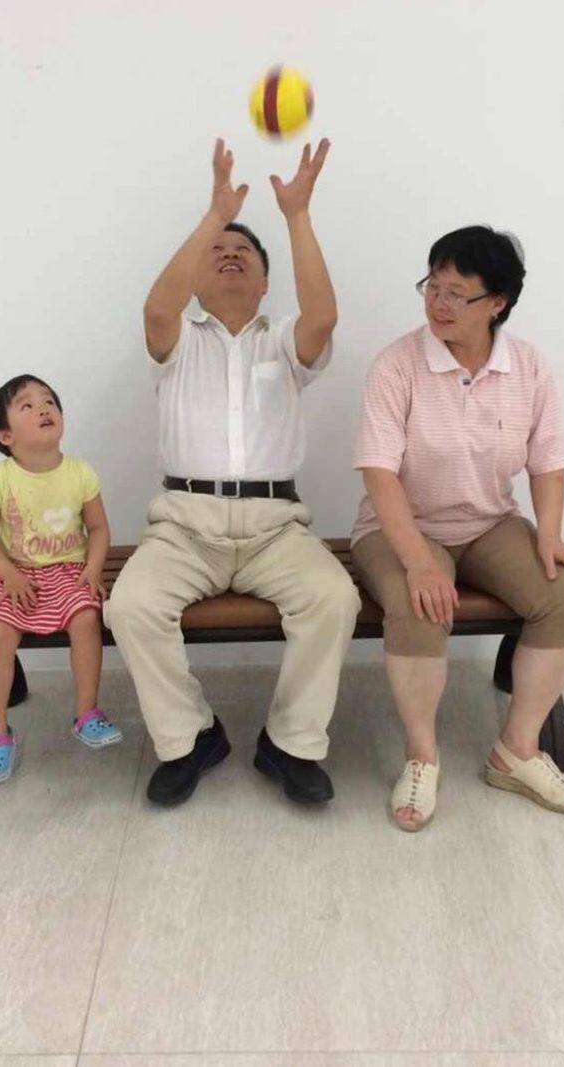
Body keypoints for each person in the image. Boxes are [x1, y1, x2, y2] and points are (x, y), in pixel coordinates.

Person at [106, 139, 360, 808]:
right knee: (131, 605)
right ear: (197, 272)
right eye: (218, 250)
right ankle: (191, 735)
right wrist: (216, 211)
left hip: (277, 528)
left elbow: (324, 316)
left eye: (244, 251)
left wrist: (297, 214)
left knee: (334, 599)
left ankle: (291, 742)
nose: (229, 253)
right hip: (184, 526)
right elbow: (155, 310)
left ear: (265, 279)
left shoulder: (285, 341)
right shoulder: (177, 341)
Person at [351, 226, 564, 831]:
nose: (438, 303)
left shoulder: (529, 367)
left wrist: (549, 535)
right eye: (431, 286)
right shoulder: (396, 365)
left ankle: (516, 749)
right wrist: (419, 561)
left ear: (498, 303)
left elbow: (548, 461)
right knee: (421, 601)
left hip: (489, 521)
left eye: (457, 293)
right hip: (400, 525)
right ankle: (421, 756)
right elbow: (379, 475)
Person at [0, 374, 122, 785]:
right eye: (27, 405)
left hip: (69, 570)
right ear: (4, 434)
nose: (43, 409)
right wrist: (9, 574)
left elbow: (100, 529)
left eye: (49, 401)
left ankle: (86, 712)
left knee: (86, 620)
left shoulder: (80, 473)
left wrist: (92, 568)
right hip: (14, 573)